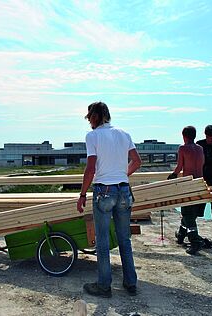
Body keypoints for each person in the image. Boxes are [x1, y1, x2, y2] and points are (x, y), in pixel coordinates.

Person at [77, 102, 142, 298]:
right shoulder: (124, 133)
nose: (89, 121)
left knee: (103, 241)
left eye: (90, 117)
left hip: (104, 191)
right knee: (125, 239)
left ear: (95, 116)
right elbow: (137, 161)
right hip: (124, 190)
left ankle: (104, 286)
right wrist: (122, 175)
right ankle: (131, 283)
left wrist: (81, 195)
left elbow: (90, 169)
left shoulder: (93, 136)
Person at [168, 126, 206, 255]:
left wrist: (173, 175)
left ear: (183, 135)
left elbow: (179, 167)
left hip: (189, 184)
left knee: (187, 213)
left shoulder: (183, 148)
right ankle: (180, 235)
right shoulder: (200, 148)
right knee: (191, 212)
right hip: (200, 183)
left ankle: (195, 242)